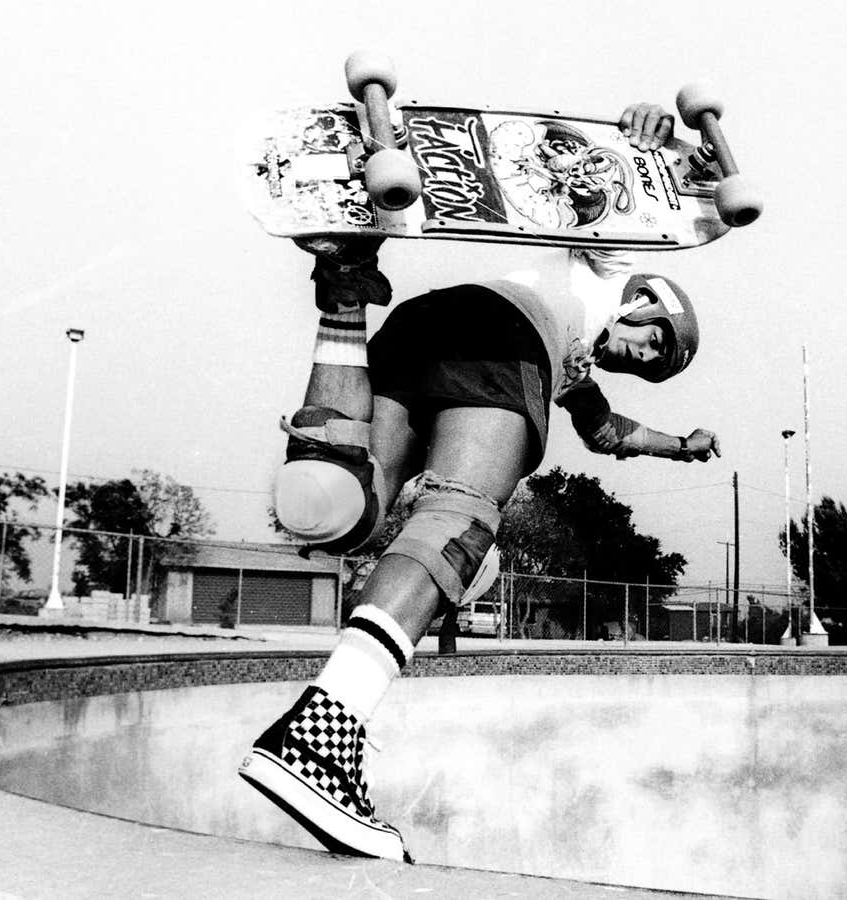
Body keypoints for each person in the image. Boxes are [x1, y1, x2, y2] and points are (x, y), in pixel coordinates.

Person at [237, 102, 721, 862]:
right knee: (459, 523)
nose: (642, 357)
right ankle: (320, 737)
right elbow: (614, 187)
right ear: (642, 300)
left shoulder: (576, 361)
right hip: (503, 339)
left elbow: (604, 432)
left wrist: (677, 447)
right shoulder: (605, 267)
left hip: (429, 326)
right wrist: (647, 136)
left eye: (655, 366)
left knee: (343, 506)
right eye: (652, 338)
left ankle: (342, 289)